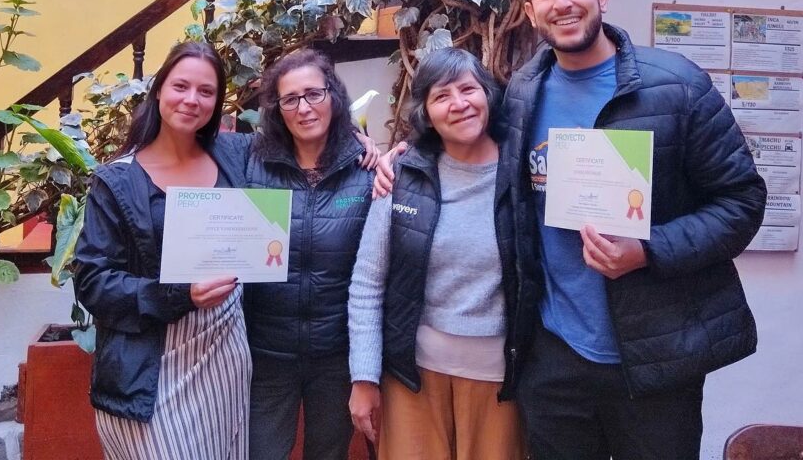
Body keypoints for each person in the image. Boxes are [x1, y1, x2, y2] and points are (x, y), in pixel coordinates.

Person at [506, 0, 767, 460]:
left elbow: (742, 203)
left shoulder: (678, 87)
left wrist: (648, 250)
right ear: (531, 12)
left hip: (656, 358)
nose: (563, 2)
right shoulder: (520, 93)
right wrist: (394, 157)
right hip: (555, 356)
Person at [74, 41, 251, 460]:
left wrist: (369, 147)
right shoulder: (116, 181)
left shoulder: (236, 156)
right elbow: (93, 281)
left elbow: (309, 141)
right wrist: (178, 294)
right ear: (158, 90)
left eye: (206, 92)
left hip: (225, 355)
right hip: (150, 366)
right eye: (181, 86)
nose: (192, 100)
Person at [348, 48, 524, 460]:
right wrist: (364, 377)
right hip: (412, 378)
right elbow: (367, 284)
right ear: (426, 111)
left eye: (468, 89)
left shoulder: (525, 174)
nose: (459, 104)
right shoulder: (404, 176)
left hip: (499, 383)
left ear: (488, 95)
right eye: (442, 95)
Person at [244, 48, 377, 460]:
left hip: (335, 358)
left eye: (314, 94)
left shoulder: (368, 170)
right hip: (266, 355)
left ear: (333, 96)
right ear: (276, 108)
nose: (304, 108)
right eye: (290, 99)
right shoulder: (250, 163)